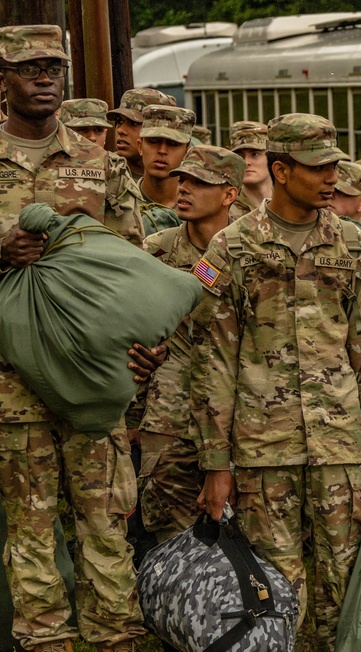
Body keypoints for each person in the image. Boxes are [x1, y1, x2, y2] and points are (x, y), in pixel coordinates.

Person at [191, 113, 361, 646]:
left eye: (334, 165)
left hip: (341, 450)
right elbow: (213, 361)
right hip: (264, 453)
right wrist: (216, 464)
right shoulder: (233, 249)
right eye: (317, 167)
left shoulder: (354, 247)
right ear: (280, 171)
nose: (331, 177)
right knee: (277, 592)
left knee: (346, 588)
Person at [0, 24, 162, 652]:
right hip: (14, 386)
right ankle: (45, 643)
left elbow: (133, 264)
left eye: (54, 66)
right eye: (29, 67)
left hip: (94, 381)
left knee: (104, 526)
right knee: (31, 529)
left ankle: (113, 640)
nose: (45, 77)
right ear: (4, 79)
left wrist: (144, 345)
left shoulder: (101, 166)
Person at [140, 145, 245, 544]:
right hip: (170, 416)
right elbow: (135, 336)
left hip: (241, 414)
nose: (183, 189)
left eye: (199, 183)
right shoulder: (157, 251)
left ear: (229, 194)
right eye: (182, 180)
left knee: (248, 537)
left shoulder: (250, 248)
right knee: (168, 536)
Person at [136, 105, 195, 235]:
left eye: (173, 144)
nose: (162, 150)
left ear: (187, 152)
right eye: (154, 141)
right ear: (140, 147)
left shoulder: (196, 210)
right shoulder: (120, 203)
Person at [107, 87, 176, 180]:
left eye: (133, 123)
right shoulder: (105, 172)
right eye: (119, 121)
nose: (120, 130)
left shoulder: (185, 180)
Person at [227, 120, 271, 220]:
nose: (246, 162)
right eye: (240, 155)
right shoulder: (225, 207)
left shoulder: (288, 203)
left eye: (255, 154)